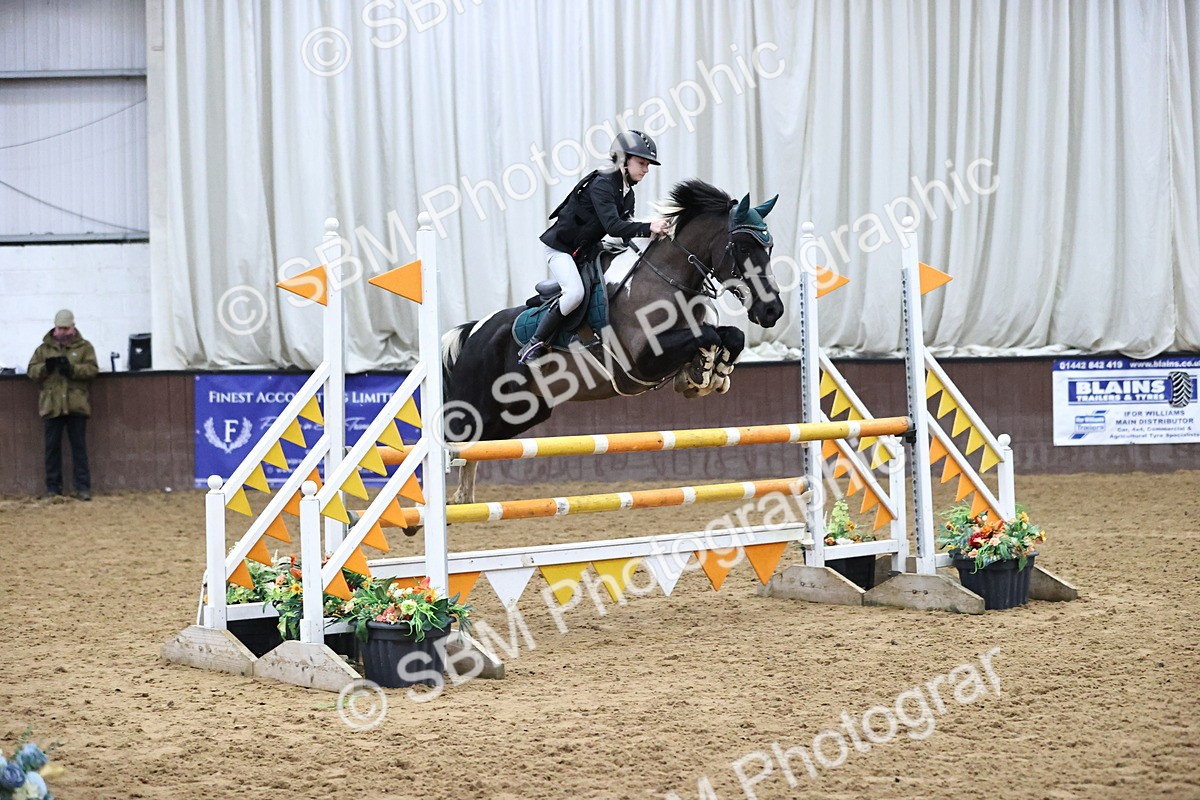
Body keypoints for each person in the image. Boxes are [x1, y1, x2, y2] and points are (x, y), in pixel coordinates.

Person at [519, 129, 670, 364]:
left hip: (587, 248)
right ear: (623, 159)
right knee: (575, 293)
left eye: (648, 165)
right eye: (642, 163)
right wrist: (650, 226)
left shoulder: (627, 192)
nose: (646, 169)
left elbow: (625, 233)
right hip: (561, 249)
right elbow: (614, 226)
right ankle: (535, 343)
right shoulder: (603, 183)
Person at [28, 309, 99, 500]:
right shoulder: (43, 350)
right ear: (55, 328)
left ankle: (83, 488)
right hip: (51, 406)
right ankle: (53, 489)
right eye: (60, 328)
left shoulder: (85, 347)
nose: (63, 332)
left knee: (79, 448)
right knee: (52, 449)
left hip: (76, 405)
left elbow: (92, 370)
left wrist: (72, 369)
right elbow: (32, 372)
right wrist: (46, 368)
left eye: (67, 328)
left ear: (73, 327)